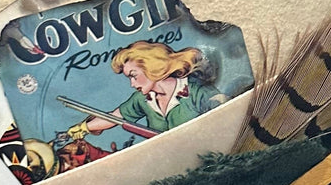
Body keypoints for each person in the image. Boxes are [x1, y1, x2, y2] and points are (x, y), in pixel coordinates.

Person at [71, 40, 220, 139]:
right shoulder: (141, 99)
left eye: (134, 76)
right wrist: (84, 128)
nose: (132, 84)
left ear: (151, 68)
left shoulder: (197, 91)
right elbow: (115, 117)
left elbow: (224, 113)